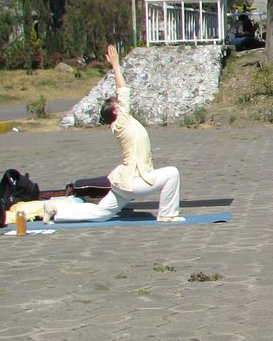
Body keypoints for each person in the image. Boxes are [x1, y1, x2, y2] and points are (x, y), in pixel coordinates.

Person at [51, 45, 183, 223]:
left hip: (125, 181)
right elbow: (123, 91)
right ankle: (167, 214)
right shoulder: (121, 123)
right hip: (134, 181)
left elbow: (122, 96)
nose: (120, 103)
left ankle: (56, 210)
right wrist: (115, 65)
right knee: (172, 173)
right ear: (115, 112)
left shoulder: (126, 123)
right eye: (117, 104)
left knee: (101, 214)